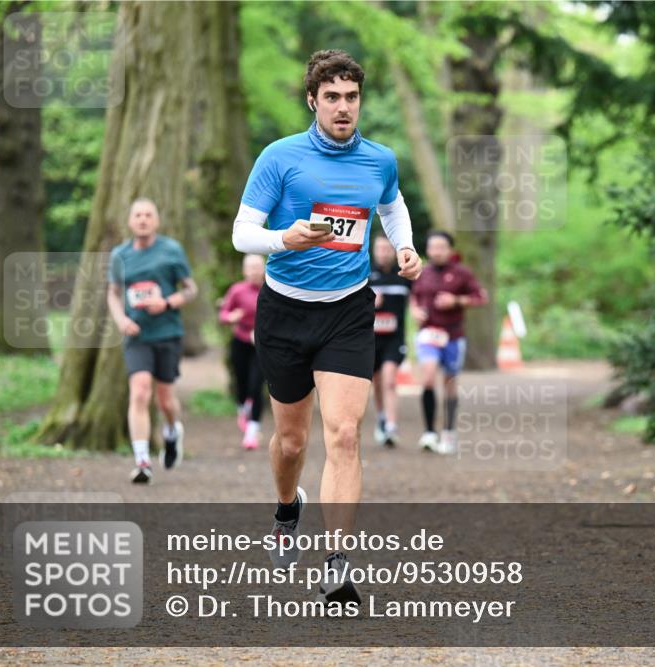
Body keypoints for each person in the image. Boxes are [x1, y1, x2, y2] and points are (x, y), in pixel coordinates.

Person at [231, 50, 421, 604]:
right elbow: (244, 233)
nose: (343, 108)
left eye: (352, 97)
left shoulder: (379, 160)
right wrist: (283, 239)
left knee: (343, 433)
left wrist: (405, 246)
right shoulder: (280, 157)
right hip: (285, 311)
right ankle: (288, 509)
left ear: (361, 101)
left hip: (347, 311)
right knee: (291, 442)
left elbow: (393, 206)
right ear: (313, 100)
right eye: (332, 97)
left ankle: (336, 562)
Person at [107, 198, 198, 483]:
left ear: (156, 221)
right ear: (130, 221)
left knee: (165, 400)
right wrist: (121, 320)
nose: (143, 219)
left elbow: (190, 289)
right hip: (137, 335)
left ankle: (172, 432)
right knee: (140, 391)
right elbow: (113, 292)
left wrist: (167, 302)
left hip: (167, 333)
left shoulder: (171, 250)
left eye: (148, 215)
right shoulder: (119, 255)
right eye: (138, 215)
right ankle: (142, 460)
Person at [409, 231, 487, 455]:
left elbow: (481, 297)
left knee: (450, 384)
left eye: (441, 247)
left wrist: (456, 300)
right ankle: (429, 433)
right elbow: (414, 296)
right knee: (428, 377)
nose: (437, 251)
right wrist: (415, 311)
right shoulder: (422, 272)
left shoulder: (462, 273)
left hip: (453, 335)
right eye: (433, 247)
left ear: (450, 249)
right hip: (428, 334)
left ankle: (449, 432)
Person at [219, 254, 267, 450]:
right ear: (244, 271)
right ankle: (242, 407)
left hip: (262, 344)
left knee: (257, 385)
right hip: (240, 341)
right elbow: (222, 314)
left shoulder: (271, 290)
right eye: (251, 267)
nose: (255, 271)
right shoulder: (237, 290)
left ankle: (252, 432)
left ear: (264, 269)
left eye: (258, 267)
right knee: (241, 383)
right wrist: (231, 317)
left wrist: (264, 331)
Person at [369, 235, 411, 448]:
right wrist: (370, 303)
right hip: (371, 339)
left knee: (390, 380)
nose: (383, 252)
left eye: (387, 249)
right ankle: (382, 417)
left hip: (395, 338)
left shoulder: (403, 275)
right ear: (374, 250)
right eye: (380, 248)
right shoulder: (366, 275)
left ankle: (392, 427)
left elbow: (418, 299)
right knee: (377, 382)